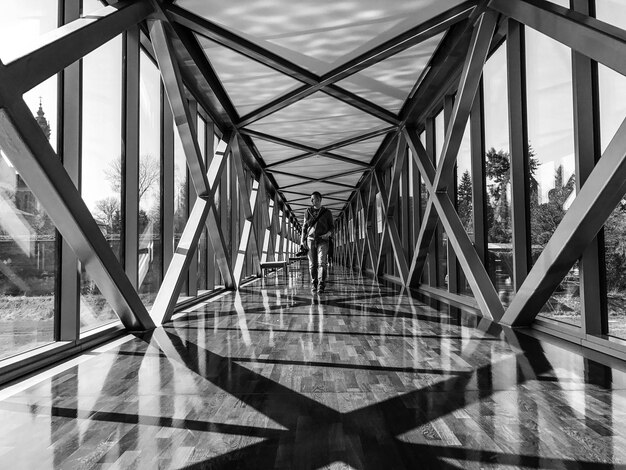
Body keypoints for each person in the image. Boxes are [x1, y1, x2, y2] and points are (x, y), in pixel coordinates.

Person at [300, 191, 333, 293]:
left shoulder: (327, 212)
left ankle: (321, 284)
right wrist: (302, 241)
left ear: (319, 199)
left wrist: (328, 234)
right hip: (310, 240)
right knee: (312, 265)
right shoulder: (307, 212)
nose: (311, 201)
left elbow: (332, 227)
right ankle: (314, 284)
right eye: (311, 199)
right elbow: (304, 228)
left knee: (322, 263)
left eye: (313, 199)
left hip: (323, 240)